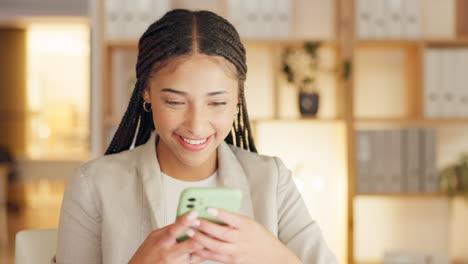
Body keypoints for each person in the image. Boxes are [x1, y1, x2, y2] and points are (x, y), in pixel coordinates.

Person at [54, 9, 338, 264]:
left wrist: (272, 254)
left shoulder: (271, 181)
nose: (197, 125)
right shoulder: (94, 186)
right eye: (175, 102)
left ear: (238, 100)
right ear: (147, 92)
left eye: (216, 103)